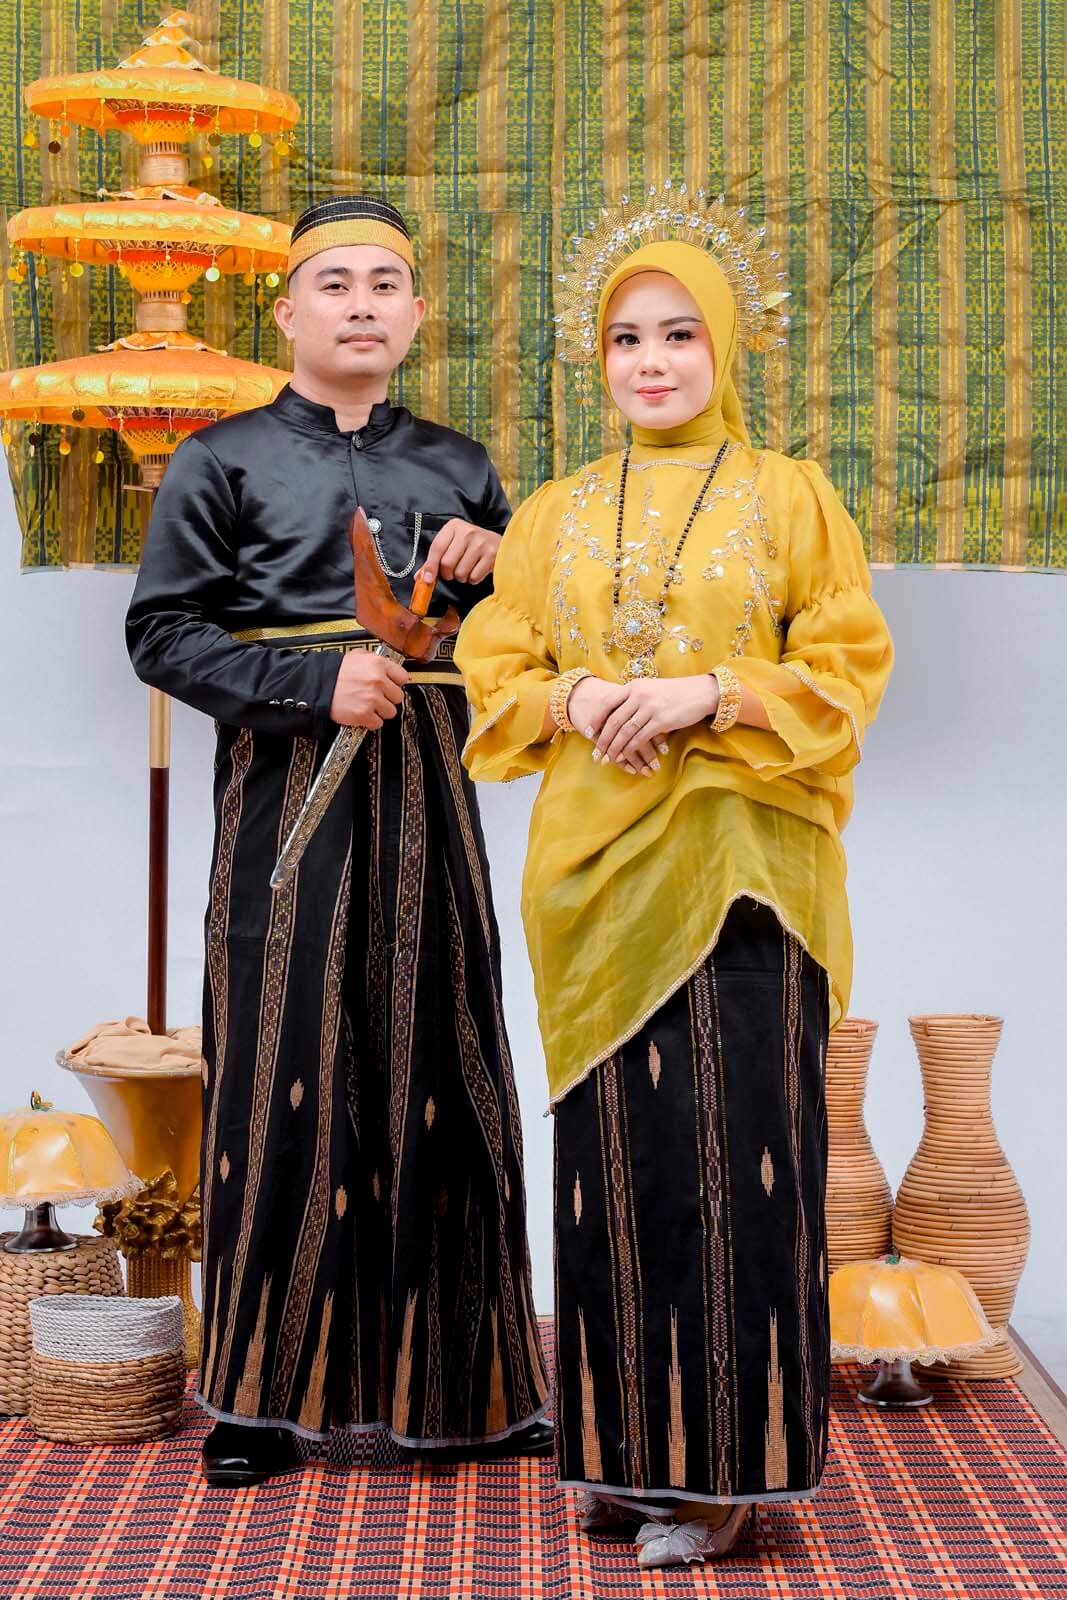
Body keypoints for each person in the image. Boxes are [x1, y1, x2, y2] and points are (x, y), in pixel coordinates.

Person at [455, 195, 893, 1569]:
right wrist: (578, 696)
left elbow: (846, 663)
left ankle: (720, 1478)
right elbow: (497, 664)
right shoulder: (555, 512)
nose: (651, 361)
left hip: (746, 872)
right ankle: (619, 1456)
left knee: (733, 1161)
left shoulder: (791, 496)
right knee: (614, 1168)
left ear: (726, 346)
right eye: (626, 338)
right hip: (591, 886)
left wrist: (712, 691)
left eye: (680, 333)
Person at [126, 195, 550, 1487]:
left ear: (417, 314)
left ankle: (473, 1387)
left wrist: (500, 570)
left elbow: (527, 642)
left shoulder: (459, 464)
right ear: (287, 312)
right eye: (334, 283)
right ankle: (263, 1395)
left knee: (446, 1057)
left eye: (384, 284)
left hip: (428, 782)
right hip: (284, 781)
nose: (361, 304)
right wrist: (317, 683)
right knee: (281, 1057)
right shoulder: (221, 458)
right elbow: (163, 634)